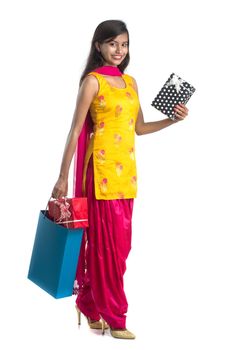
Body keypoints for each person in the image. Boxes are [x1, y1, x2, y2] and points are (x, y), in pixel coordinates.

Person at [51, 19, 189, 340]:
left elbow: (138, 129)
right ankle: (115, 316)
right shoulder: (92, 82)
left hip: (126, 176)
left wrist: (172, 119)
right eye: (112, 43)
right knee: (104, 248)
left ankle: (89, 303)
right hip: (98, 174)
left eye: (124, 44)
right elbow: (75, 130)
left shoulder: (131, 83)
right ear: (99, 46)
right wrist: (62, 177)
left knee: (120, 248)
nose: (119, 50)